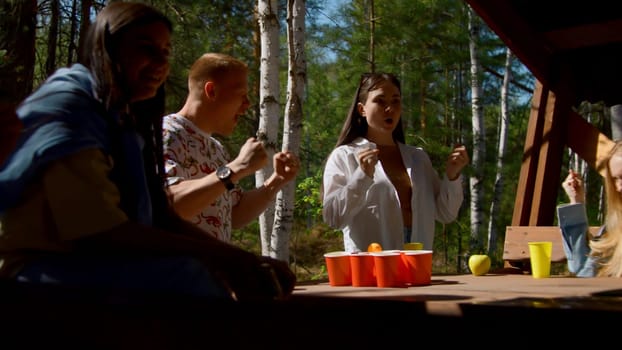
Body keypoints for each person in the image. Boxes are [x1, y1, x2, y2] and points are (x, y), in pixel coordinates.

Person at [0, 2, 295, 301]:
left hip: (107, 266)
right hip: (44, 273)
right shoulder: (72, 113)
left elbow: (165, 215)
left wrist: (243, 256)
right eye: (145, 48)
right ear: (107, 49)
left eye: (165, 52)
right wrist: (227, 257)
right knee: (190, 279)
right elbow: (100, 232)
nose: (160, 62)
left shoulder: (126, 124)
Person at [322, 72, 469, 252]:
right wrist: (361, 177)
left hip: (416, 264)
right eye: (380, 101)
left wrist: (452, 176)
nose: (389, 108)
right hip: (370, 270)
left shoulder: (418, 158)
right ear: (362, 109)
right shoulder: (345, 156)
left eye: (395, 101)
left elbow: (446, 213)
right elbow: (333, 217)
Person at [162, 53, 300, 242]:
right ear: (211, 91)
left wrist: (277, 180)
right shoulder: (166, 133)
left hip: (211, 272)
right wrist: (237, 167)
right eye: (241, 95)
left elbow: (235, 214)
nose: (247, 105)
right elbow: (169, 206)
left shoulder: (217, 148)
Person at [558, 141, 622, 277]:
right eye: (614, 179)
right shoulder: (613, 228)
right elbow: (583, 270)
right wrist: (576, 201)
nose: (618, 187)